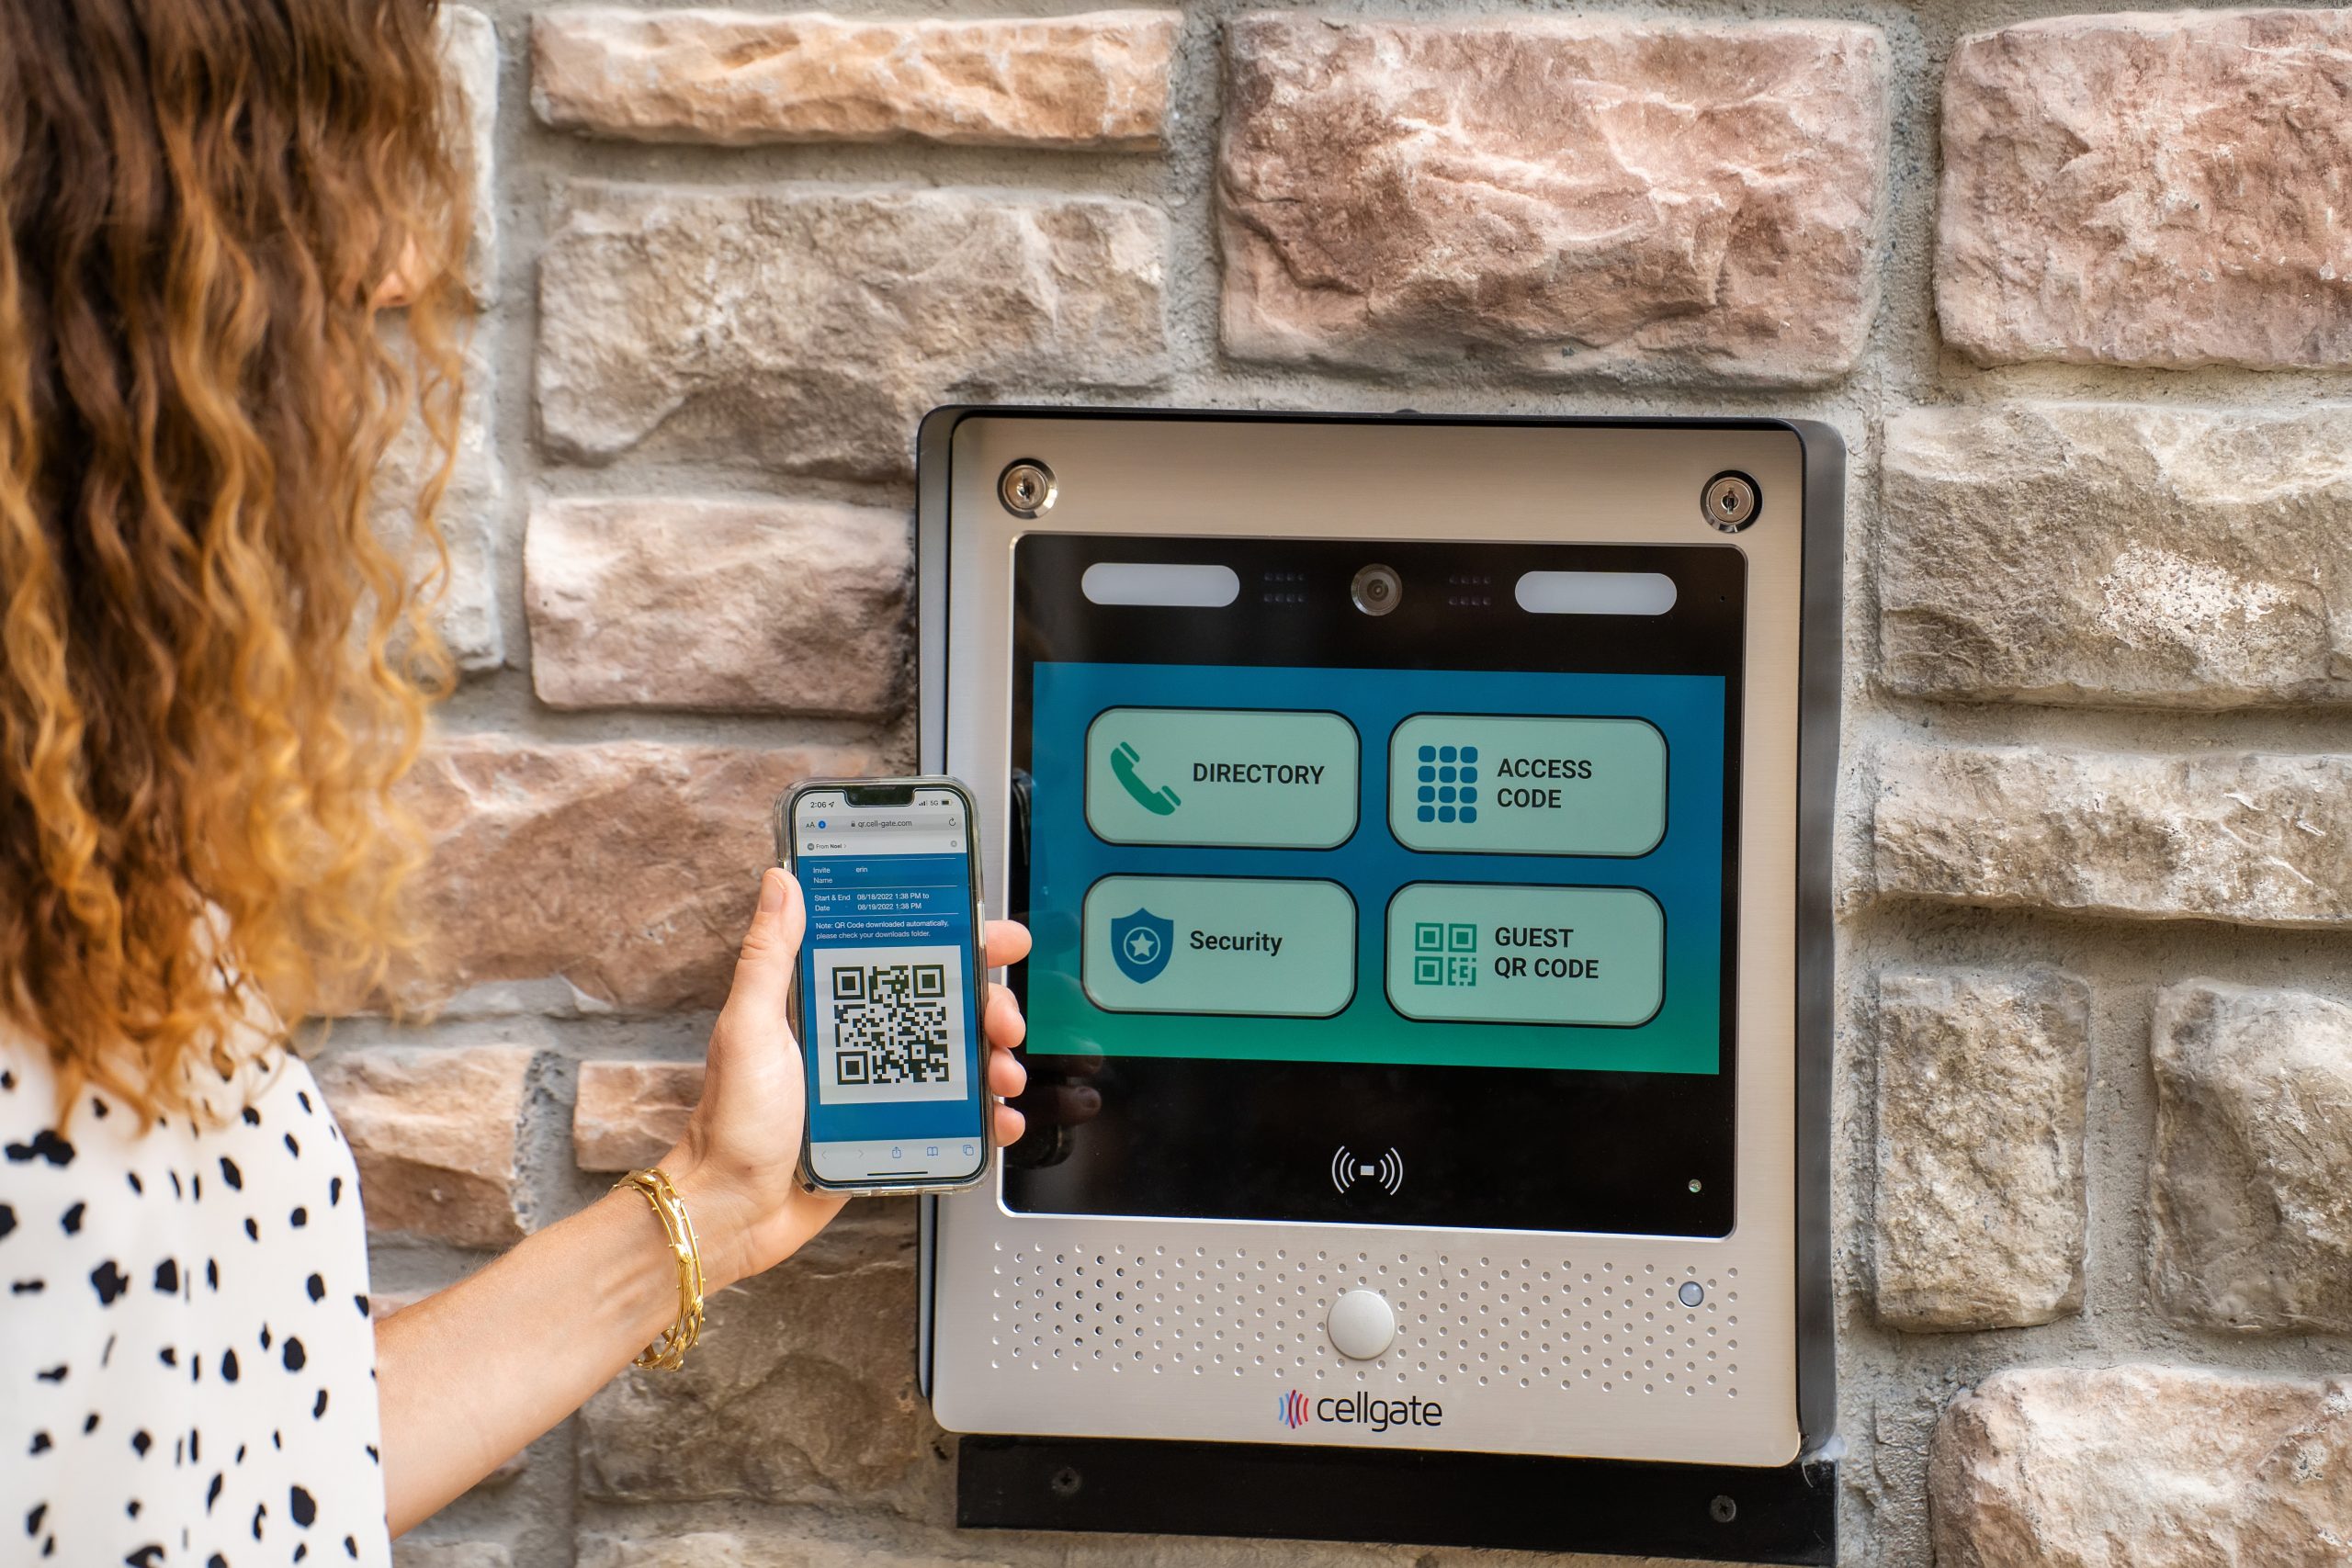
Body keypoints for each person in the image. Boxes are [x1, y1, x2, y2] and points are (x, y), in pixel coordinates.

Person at [0, 3, 1030, 1561]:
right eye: (305, 170)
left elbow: (241, 1454)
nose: (398, 270)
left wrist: (713, 1200)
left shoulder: (72, 851)